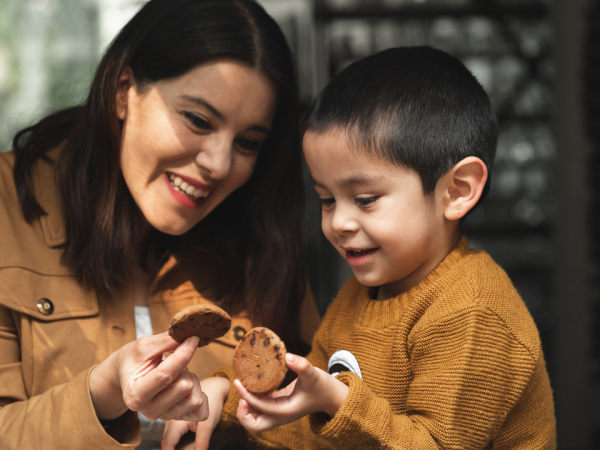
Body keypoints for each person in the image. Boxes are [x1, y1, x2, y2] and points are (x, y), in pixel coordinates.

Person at [172, 46, 557, 449]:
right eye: (326, 199)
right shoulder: (358, 299)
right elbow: (314, 430)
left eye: (366, 198)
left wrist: (338, 403)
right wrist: (229, 400)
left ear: (457, 191)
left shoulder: (473, 311)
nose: (339, 222)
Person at [0, 1, 320, 449]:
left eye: (247, 142)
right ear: (123, 88)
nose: (218, 164)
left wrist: (235, 403)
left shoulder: (262, 240)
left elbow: (327, 414)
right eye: (197, 119)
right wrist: (101, 394)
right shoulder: (7, 212)